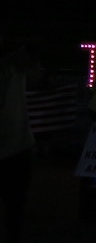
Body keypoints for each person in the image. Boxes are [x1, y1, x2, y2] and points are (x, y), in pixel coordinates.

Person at [0, 42, 36, 243]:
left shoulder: (14, 65)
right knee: (15, 205)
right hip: (18, 147)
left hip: (17, 146)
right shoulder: (14, 66)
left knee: (16, 206)